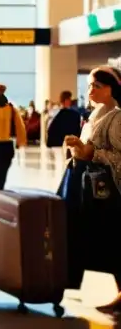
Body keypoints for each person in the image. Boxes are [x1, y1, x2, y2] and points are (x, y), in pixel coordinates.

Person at [61, 66, 121, 314]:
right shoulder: (96, 113)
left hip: (107, 191)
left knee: (111, 239)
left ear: (111, 88)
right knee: (91, 237)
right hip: (87, 185)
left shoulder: (117, 117)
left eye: (97, 85)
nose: (91, 90)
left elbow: (117, 154)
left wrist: (91, 153)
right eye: (89, 85)